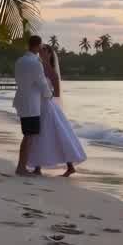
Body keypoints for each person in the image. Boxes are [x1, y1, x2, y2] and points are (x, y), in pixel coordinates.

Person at [27, 44, 87, 176]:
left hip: (48, 106)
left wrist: (46, 95)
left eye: (44, 51)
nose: (41, 53)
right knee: (39, 135)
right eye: (40, 51)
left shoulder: (51, 71)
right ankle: (37, 167)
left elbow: (57, 93)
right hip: (38, 104)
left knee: (55, 135)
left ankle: (69, 166)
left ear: (49, 54)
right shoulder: (37, 67)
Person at [13, 35, 52, 175]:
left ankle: (24, 166)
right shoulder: (35, 63)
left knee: (28, 135)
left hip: (22, 100)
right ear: (37, 46)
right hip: (31, 103)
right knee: (29, 136)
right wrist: (49, 95)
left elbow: (19, 80)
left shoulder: (20, 61)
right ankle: (21, 167)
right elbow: (41, 83)